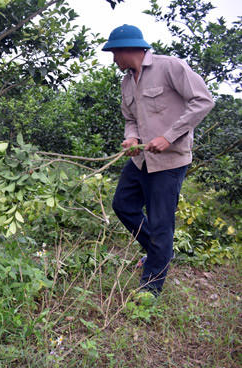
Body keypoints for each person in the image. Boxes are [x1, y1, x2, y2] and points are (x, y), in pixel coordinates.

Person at [102, 24, 215, 297]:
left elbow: (203, 101)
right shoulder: (127, 81)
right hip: (141, 160)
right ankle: (159, 253)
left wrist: (169, 136)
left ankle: (150, 287)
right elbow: (131, 120)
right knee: (123, 205)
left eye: (114, 53)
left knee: (161, 222)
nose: (113, 59)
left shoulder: (170, 67)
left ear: (127, 49)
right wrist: (131, 138)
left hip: (170, 162)